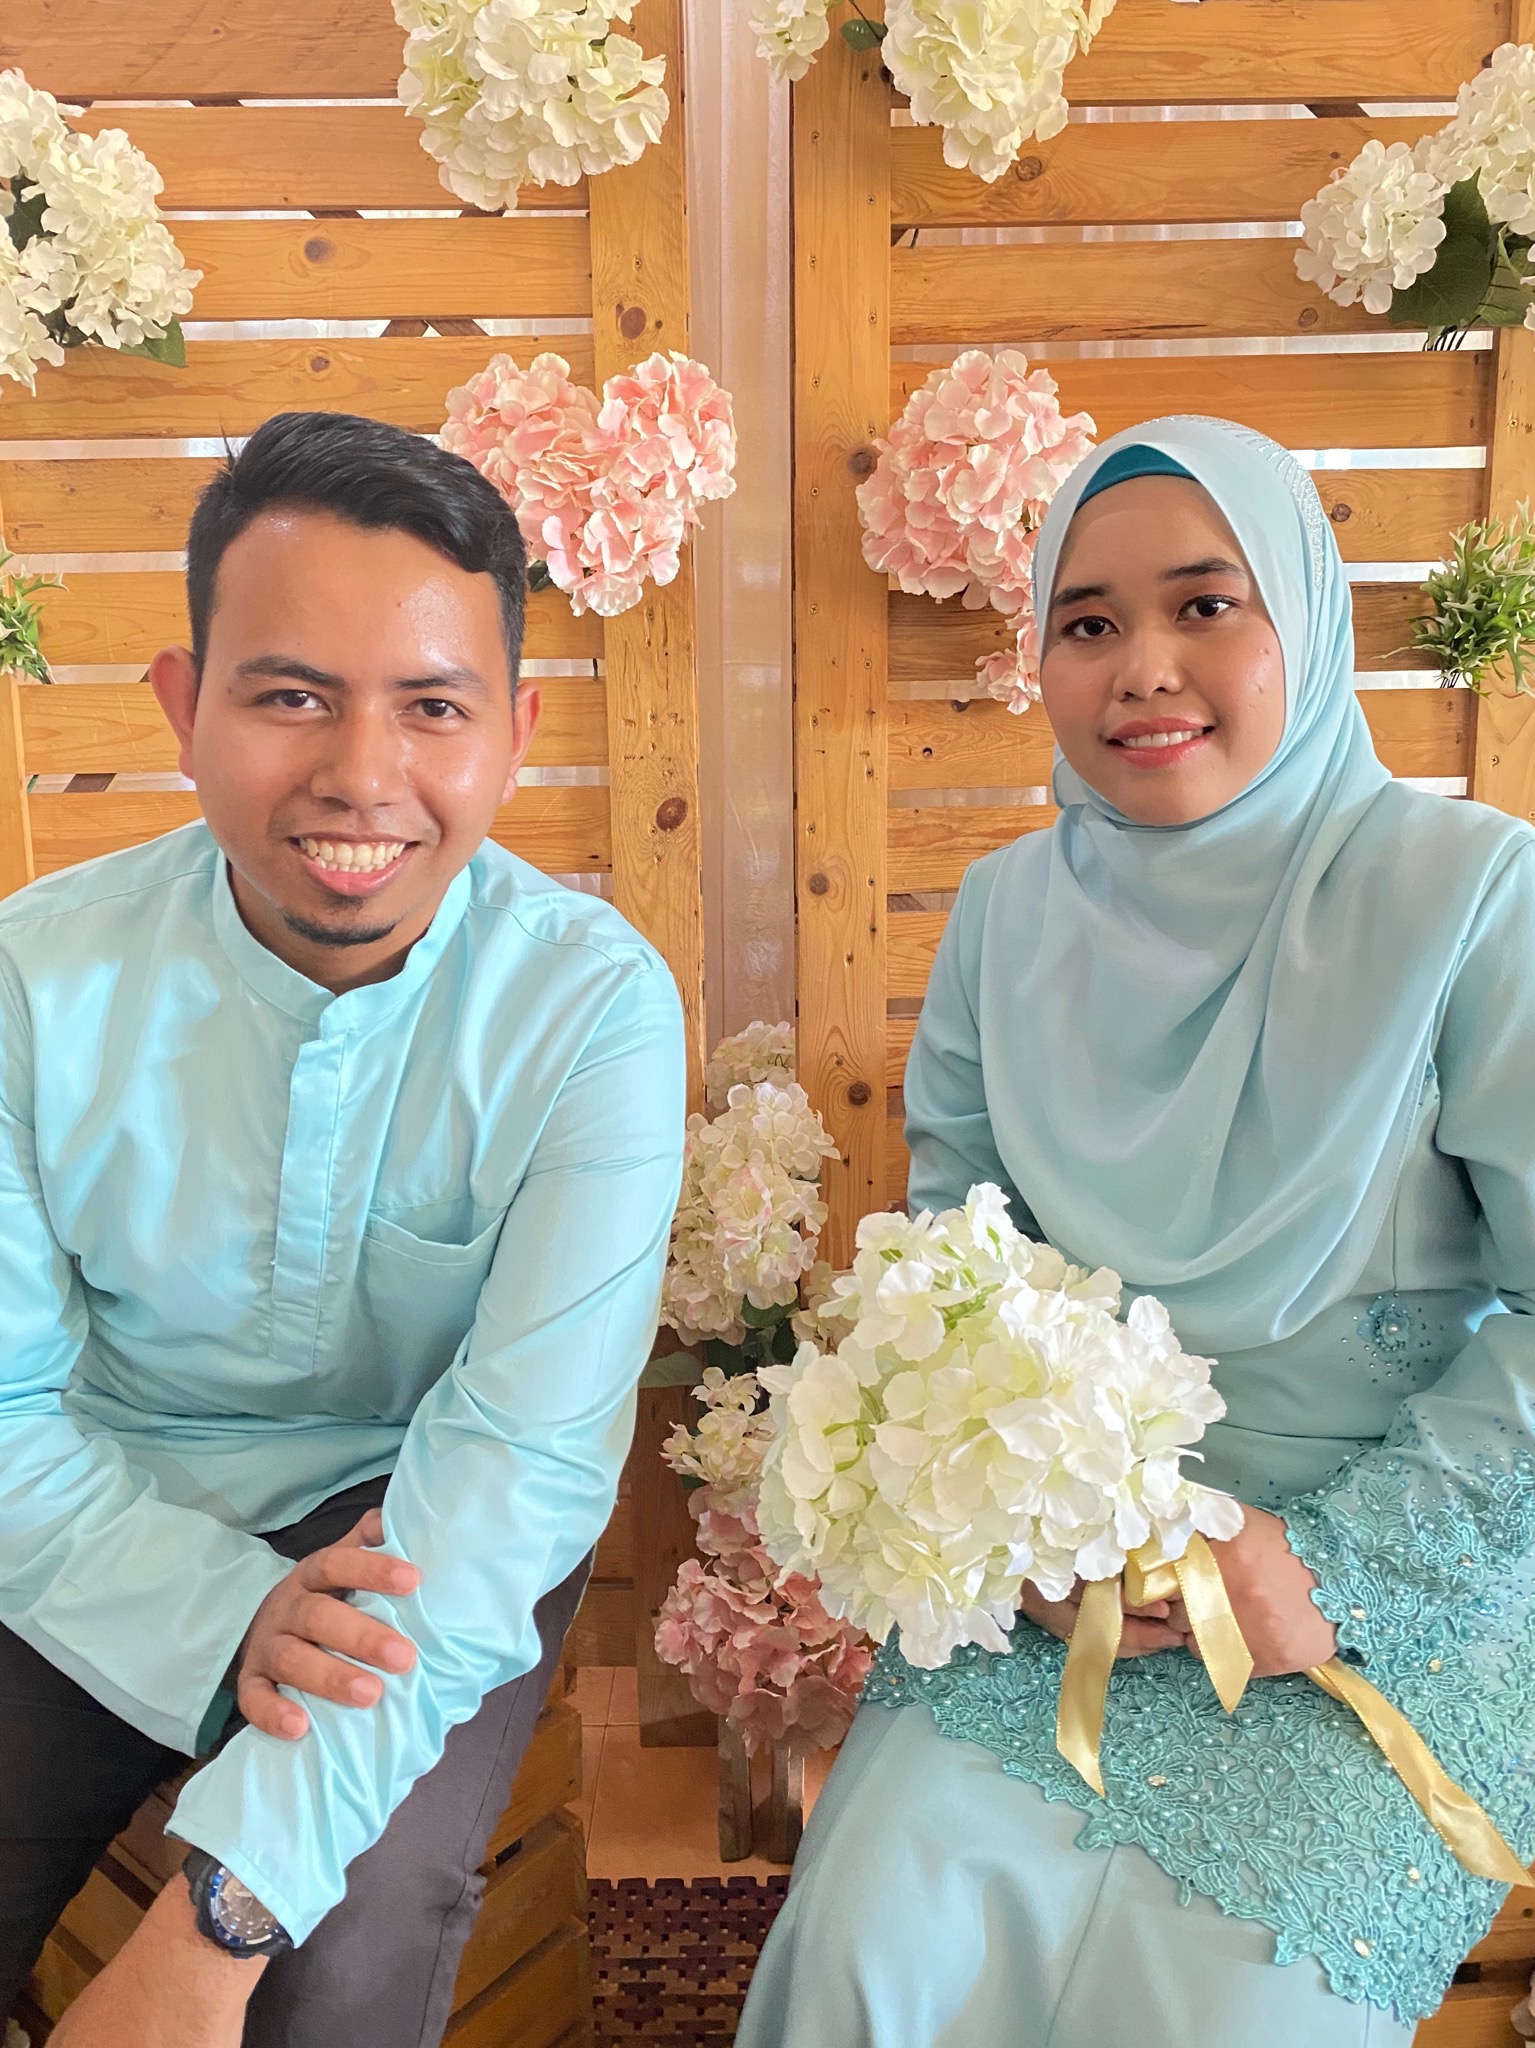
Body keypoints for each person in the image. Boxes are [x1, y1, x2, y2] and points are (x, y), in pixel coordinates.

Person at [737, 416, 1535, 2047]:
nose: (1144, 669)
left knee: (1223, 2014)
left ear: (1301, 620)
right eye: (1088, 622)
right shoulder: (1005, 917)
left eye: (1205, 606)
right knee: (869, 1946)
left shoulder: (1475, 898)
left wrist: (1333, 1566)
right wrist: (1020, 1541)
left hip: (1390, 1583)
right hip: (1065, 1584)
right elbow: (956, 1280)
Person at [0, 411, 686, 2048]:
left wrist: (216, 1925)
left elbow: (516, 1466)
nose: (362, 777)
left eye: (432, 706)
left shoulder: (593, 1011)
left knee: (346, 1945)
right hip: (94, 1505)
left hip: (422, 1523)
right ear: (184, 708)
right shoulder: (33, 981)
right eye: (292, 696)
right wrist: (223, 1612)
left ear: (513, 734)